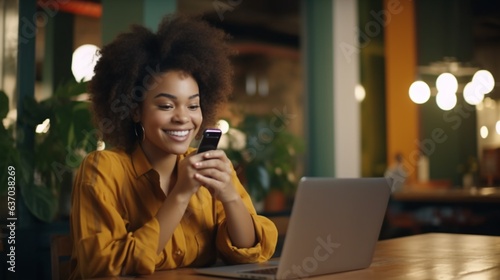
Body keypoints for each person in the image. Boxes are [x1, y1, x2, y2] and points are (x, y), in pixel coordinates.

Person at [69, 14, 278, 279]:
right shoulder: (102, 170)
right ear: (135, 111)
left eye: (193, 105)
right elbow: (102, 267)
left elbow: (248, 252)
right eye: (166, 106)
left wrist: (230, 196)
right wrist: (180, 195)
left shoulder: (208, 167)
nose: (183, 117)